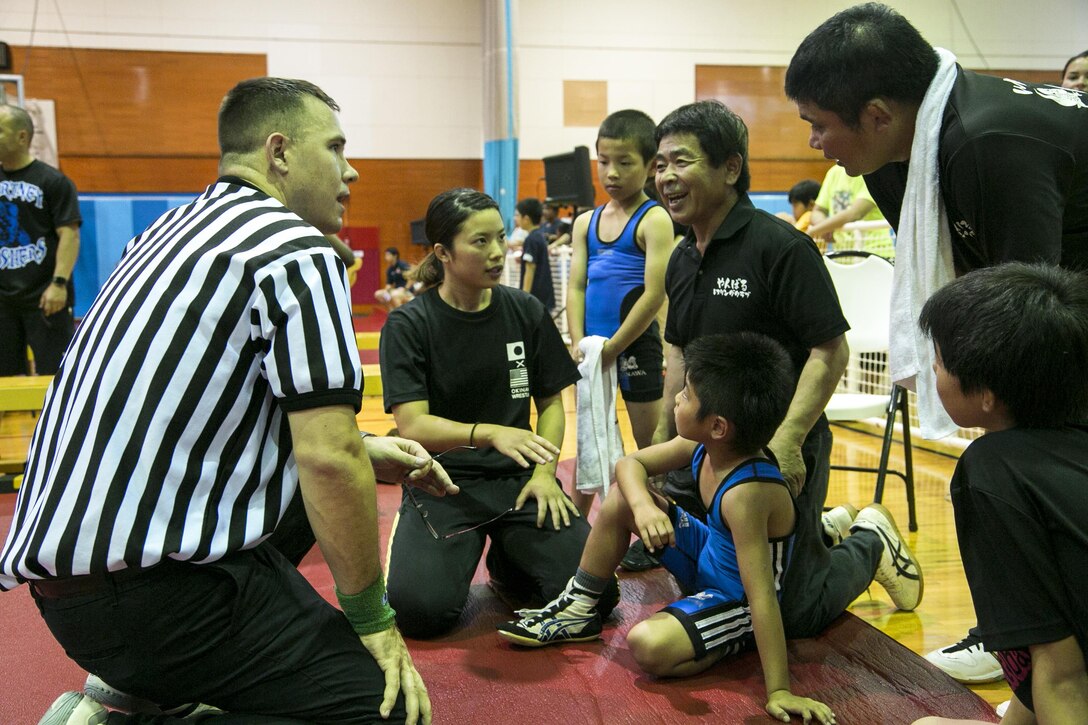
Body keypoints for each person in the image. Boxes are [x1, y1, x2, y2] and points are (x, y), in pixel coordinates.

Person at [3, 77, 453, 724]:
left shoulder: (163, 234)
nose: (351, 170)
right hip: (163, 603)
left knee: (323, 475)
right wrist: (373, 620)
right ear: (279, 152)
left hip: (63, 593)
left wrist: (369, 448)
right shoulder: (297, 250)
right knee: (387, 711)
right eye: (335, 147)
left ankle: (120, 695)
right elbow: (328, 459)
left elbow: (186, 411)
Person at [785, 1, 1088, 683]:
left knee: (1018, 462)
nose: (814, 145)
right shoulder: (899, 152)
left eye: (818, 124)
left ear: (878, 115)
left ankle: (1042, 642)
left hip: (1060, 297)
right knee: (999, 458)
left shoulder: (992, 139)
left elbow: (1033, 319)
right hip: (1059, 289)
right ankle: (1030, 631)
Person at [499, 333, 917, 725]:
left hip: (738, 596)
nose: (676, 399)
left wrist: (780, 690)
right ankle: (579, 607)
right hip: (710, 556)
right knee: (624, 497)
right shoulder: (704, 444)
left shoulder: (747, 493)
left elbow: (761, 597)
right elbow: (629, 464)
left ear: (717, 425)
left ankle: (867, 539)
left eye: (685, 395)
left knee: (648, 645)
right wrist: (644, 506)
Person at [651, 100, 921, 639]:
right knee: (672, 552)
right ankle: (819, 531)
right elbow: (678, 354)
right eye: (659, 165)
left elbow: (830, 352)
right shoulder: (682, 257)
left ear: (730, 168)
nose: (665, 177)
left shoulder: (781, 248)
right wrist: (660, 442)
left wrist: (790, 439)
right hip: (707, 445)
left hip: (778, 444)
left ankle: (870, 540)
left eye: (680, 162)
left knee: (790, 614)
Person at [379, 188, 619, 639]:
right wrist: (489, 433)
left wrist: (545, 473)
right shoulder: (409, 325)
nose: (497, 253)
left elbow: (551, 403)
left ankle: (509, 563)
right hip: (442, 481)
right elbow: (413, 424)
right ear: (442, 253)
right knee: (419, 613)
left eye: (501, 238)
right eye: (480, 241)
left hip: (521, 481)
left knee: (597, 598)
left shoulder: (524, 311)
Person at [912, 262, 1088, 725]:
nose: (933, 369)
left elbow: (1063, 671)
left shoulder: (991, 469)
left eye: (940, 362)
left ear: (987, 394)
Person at [565, 109, 676, 515]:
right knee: (589, 437)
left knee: (650, 448)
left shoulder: (655, 219)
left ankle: (662, 520)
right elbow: (576, 286)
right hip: (594, 348)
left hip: (633, 345)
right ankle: (577, 524)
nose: (611, 173)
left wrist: (615, 347)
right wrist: (579, 342)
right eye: (603, 161)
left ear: (650, 167)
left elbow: (653, 295)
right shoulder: (585, 222)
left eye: (625, 163)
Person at [0, 103, 81, 376]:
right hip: (3, 300)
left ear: (22, 137)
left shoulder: (53, 182)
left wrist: (58, 283)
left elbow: (69, 235)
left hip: (44, 298)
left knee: (54, 376)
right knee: (5, 379)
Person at [807, 165, 894, 257]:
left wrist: (813, 232)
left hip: (875, 253)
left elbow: (855, 213)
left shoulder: (872, 171)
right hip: (842, 255)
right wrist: (824, 226)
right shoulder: (834, 172)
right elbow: (818, 211)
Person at [515, 197, 555, 310]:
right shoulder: (539, 236)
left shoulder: (531, 239)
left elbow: (530, 270)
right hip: (545, 297)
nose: (515, 219)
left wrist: (524, 298)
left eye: (517, 215)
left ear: (526, 219)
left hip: (535, 299)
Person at [375, 246, 413, 310]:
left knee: (394, 295)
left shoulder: (403, 265)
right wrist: (385, 291)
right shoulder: (389, 269)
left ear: (395, 256)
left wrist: (405, 289)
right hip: (396, 290)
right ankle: (391, 311)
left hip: (407, 290)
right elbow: (389, 284)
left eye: (388, 255)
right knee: (378, 294)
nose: (386, 257)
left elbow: (411, 278)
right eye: (385, 255)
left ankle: (402, 315)